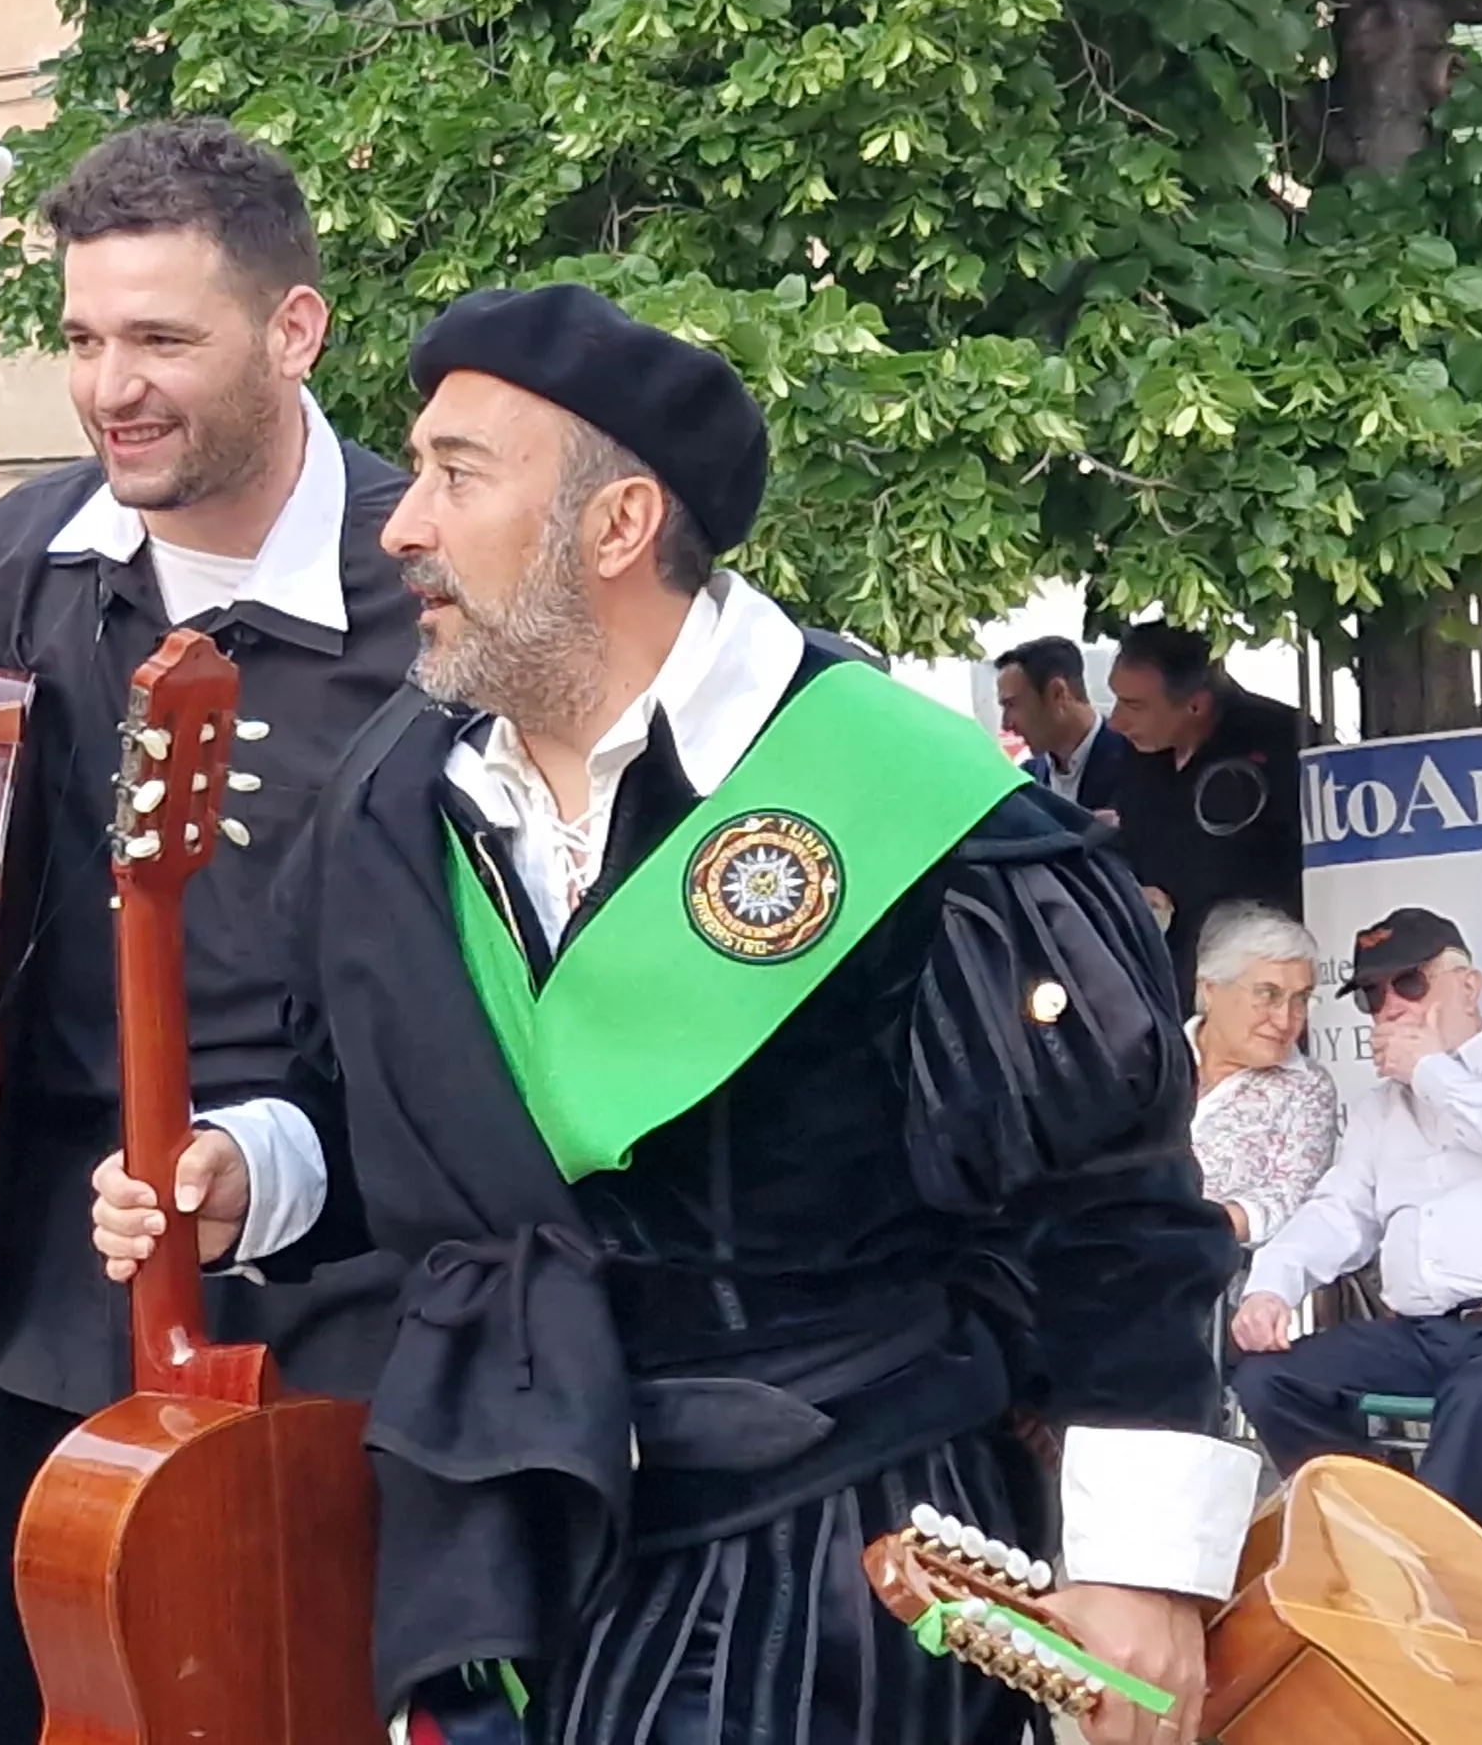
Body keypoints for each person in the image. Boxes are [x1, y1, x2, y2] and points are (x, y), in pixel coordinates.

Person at [90, 283, 1250, 1744]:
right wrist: (251, 1170)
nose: (402, 525)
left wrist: (1139, 1565)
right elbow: (384, 1108)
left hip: (835, 1552)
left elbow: (1111, 1208)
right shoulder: (395, 797)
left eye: (457, 475)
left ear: (618, 525)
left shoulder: (915, 806)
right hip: (514, 1527)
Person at [0, 116, 419, 1745]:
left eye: (161, 339)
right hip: (78, 1291)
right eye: (81, 340)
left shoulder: (427, 582)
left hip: (384, 1293)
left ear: (293, 329)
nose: (110, 387)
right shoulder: (10, 564)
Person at [1230, 909, 1482, 1531]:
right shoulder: (1382, 1108)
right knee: (1268, 1378)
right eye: (1372, 993)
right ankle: (1373, 1532)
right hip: (1426, 1331)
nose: (1391, 1006)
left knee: (1479, 1394)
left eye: (1410, 983)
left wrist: (1434, 1072)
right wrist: (1271, 1286)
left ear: (1469, 987)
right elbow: (1339, 1211)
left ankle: (1430, 1571)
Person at [1104, 620, 1311, 984]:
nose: (1115, 722)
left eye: (1134, 705)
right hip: (1163, 971)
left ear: (1196, 705)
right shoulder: (1139, 750)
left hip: (1258, 970)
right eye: (1117, 700)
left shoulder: (1284, 741)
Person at [1188, 902, 1342, 1246]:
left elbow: (1287, 1200)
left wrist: (1178, 1231)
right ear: (1211, 989)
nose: (1286, 1020)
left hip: (1218, 1267)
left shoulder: (1305, 1088)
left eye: (1300, 999)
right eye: (1268, 995)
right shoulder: (1151, 1058)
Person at [995, 634, 1132, 812]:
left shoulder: (1138, 763)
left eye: (1012, 704)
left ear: (1058, 693)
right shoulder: (1025, 780)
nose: (1006, 724)